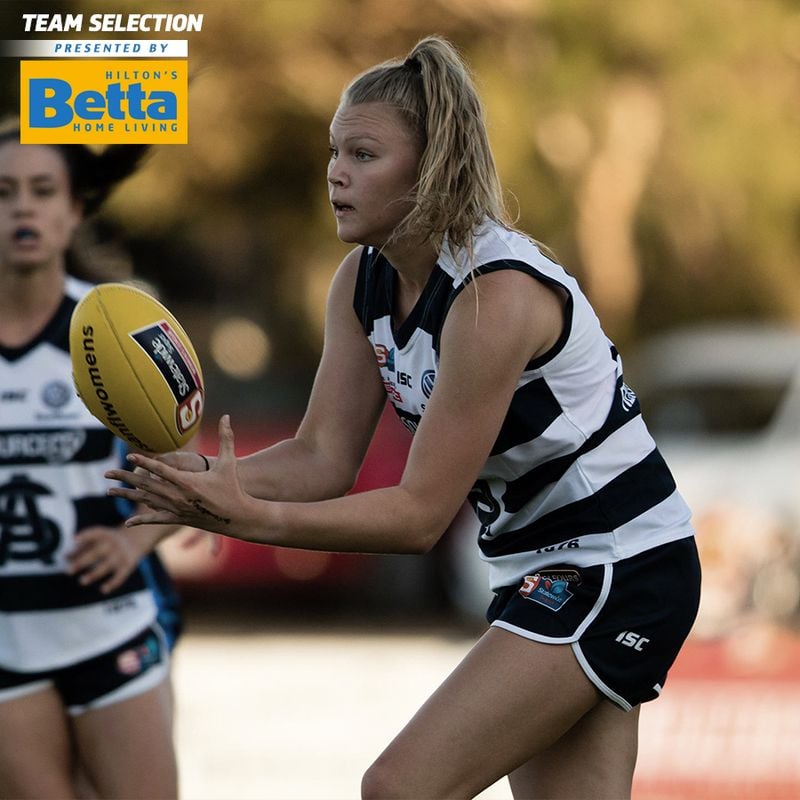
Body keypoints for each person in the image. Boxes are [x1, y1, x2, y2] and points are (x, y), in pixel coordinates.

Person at [108, 36, 702, 799]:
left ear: (432, 169)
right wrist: (209, 479)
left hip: (619, 563)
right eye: (333, 151)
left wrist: (246, 516)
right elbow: (322, 457)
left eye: (362, 154)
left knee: (399, 786)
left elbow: (419, 516)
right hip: (538, 566)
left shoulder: (497, 296)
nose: (334, 173)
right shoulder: (363, 280)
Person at [0, 124, 183, 799]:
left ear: (74, 208)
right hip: (8, 638)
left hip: (109, 625)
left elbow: (190, 472)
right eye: (3, 192)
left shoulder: (116, 328)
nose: (23, 208)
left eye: (42, 191)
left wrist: (136, 542)